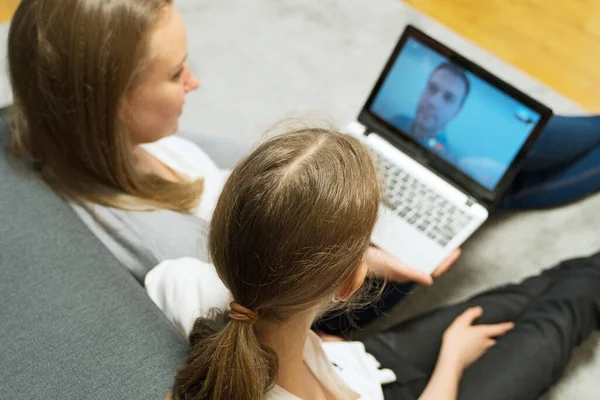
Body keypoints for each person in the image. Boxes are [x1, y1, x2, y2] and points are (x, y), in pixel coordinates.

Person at [6, 0, 600, 336]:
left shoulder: (78, 139)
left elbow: (233, 157)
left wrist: (321, 160)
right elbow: (266, 306)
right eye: (173, 73)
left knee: (481, 171)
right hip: (322, 286)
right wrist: (360, 259)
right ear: (105, 100)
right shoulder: (157, 247)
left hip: (295, 228)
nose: (196, 82)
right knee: (487, 180)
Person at [146, 127, 600, 400]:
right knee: (560, 317)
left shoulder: (184, 281)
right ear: (348, 284)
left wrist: (312, 326)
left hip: (358, 366)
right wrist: (452, 362)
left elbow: (166, 282)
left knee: (515, 299)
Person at [390, 62, 470, 164]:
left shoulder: (448, 161)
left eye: (448, 98)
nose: (433, 102)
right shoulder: (396, 121)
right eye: (432, 88)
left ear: (457, 112)